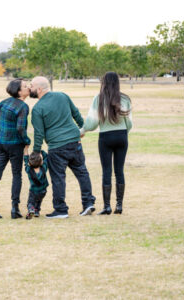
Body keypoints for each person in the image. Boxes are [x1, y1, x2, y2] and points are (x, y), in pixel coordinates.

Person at [30, 76, 96, 219]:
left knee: (58, 178)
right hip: (74, 141)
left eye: (32, 86)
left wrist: (36, 151)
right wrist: (82, 129)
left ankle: (60, 209)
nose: (30, 88)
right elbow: (76, 113)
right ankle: (88, 202)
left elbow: (39, 133)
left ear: (39, 89)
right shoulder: (63, 96)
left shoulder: (37, 108)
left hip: (57, 146)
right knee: (82, 172)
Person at [80, 71, 132, 215]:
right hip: (122, 136)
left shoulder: (99, 99)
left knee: (107, 171)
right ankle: (119, 205)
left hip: (105, 137)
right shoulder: (125, 99)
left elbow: (92, 122)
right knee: (119, 171)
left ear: (103, 82)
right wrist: (123, 134)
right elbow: (130, 123)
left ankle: (107, 206)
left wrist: (82, 130)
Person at [0, 79, 31, 220]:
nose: (28, 87)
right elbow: (20, 128)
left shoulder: (3, 103)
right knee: (16, 175)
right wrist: (27, 141)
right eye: (24, 86)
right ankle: (14, 209)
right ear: (19, 91)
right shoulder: (22, 106)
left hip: (1, 143)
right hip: (15, 144)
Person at [23, 146, 49, 219]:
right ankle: (37, 211)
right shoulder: (44, 167)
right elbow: (47, 157)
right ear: (41, 162)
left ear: (30, 163)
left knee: (30, 203)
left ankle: (31, 209)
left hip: (33, 191)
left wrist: (26, 150)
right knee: (39, 201)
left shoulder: (28, 170)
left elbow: (25, 161)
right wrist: (40, 151)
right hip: (43, 191)